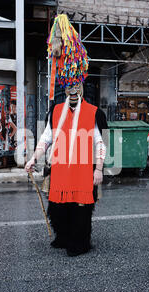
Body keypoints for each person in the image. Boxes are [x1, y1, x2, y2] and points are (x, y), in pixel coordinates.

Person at [25, 83, 107, 257]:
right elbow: (46, 139)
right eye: (70, 87)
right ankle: (63, 236)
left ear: (83, 89)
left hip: (83, 171)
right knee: (57, 207)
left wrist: (99, 169)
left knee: (81, 209)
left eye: (77, 87)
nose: (73, 91)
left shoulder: (94, 112)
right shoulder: (55, 111)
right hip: (59, 169)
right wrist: (33, 158)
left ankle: (80, 243)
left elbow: (100, 143)